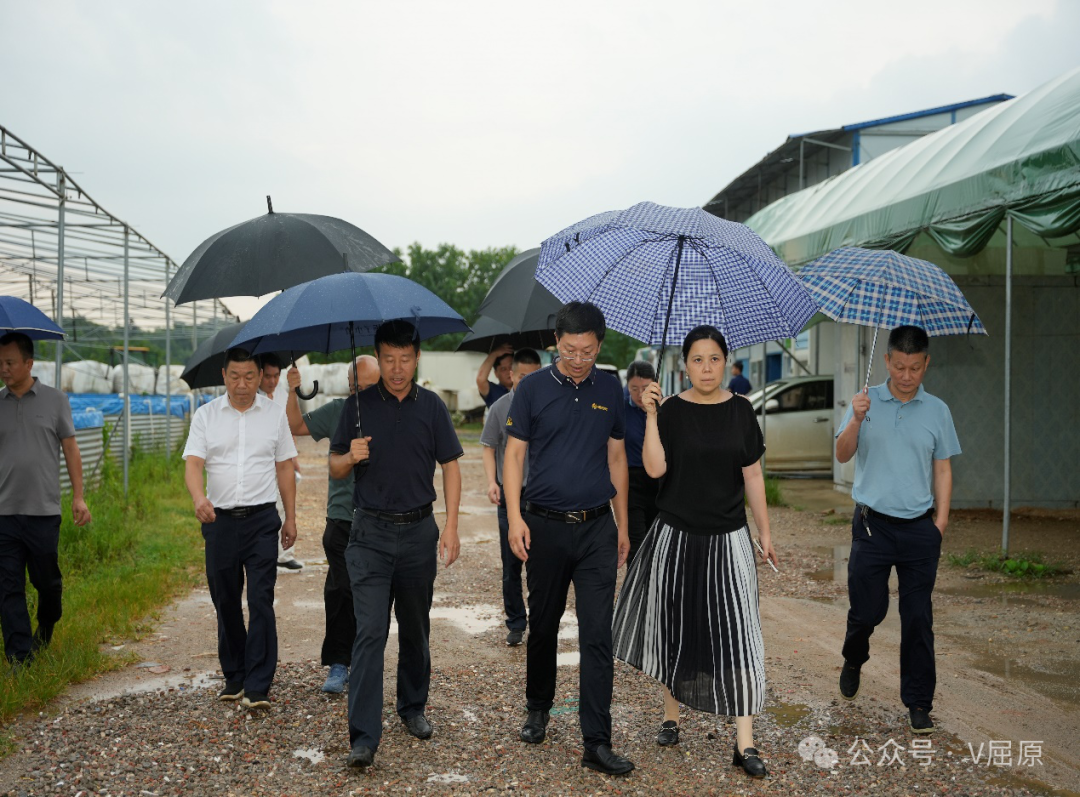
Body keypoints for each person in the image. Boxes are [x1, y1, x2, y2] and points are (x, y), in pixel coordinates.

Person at [611, 325, 778, 779]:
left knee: (740, 631)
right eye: (698, 360)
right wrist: (649, 417)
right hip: (677, 535)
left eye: (715, 359)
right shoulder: (670, 411)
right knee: (676, 624)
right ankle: (671, 714)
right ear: (685, 365)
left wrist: (764, 532)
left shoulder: (742, 411)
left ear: (726, 362)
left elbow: (754, 477)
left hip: (729, 537)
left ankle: (745, 743)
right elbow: (654, 468)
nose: (707, 368)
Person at [504, 301, 635, 777]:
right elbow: (514, 456)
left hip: (598, 527)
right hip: (545, 527)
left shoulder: (609, 388)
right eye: (569, 350)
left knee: (598, 635)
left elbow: (617, 457)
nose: (578, 359)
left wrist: (622, 524)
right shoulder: (533, 389)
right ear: (555, 343)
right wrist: (516, 518)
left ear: (600, 345)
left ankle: (596, 741)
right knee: (543, 623)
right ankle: (537, 707)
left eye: (587, 350)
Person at [328, 320, 463, 769]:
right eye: (388, 360)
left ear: (417, 357)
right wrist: (350, 456)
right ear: (378, 357)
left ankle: (413, 707)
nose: (397, 368)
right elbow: (334, 466)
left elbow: (451, 466)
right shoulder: (358, 406)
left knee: (415, 626)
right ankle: (364, 737)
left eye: (405, 359)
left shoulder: (432, 408)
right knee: (370, 632)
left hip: (419, 531)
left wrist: (452, 525)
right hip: (369, 534)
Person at [834, 325, 960, 736]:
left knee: (918, 617)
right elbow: (842, 453)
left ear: (927, 364)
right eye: (900, 366)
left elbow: (942, 467)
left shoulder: (938, 411)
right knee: (868, 611)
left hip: (920, 530)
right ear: (887, 360)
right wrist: (855, 419)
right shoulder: (864, 401)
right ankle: (854, 657)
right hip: (872, 526)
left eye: (915, 368)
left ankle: (919, 703)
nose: (907, 376)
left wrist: (939, 522)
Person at [182, 347, 298, 710]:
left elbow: (284, 468)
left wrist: (291, 517)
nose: (243, 384)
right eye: (235, 376)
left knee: (260, 598)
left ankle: (259, 683)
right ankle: (235, 675)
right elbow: (194, 464)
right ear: (224, 375)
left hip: (263, 519)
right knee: (226, 599)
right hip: (219, 521)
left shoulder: (274, 416)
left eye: (250, 376)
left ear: (260, 375)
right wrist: (199, 498)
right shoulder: (206, 416)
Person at [285, 355, 380, 694]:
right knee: (342, 589)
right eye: (356, 387)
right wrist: (293, 391)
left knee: (371, 593)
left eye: (369, 387)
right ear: (348, 385)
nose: (361, 393)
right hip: (342, 517)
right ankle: (340, 664)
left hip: (380, 518)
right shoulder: (339, 411)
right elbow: (295, 426)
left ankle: (365, 660)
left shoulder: (392, 412)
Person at [0, 332, 92, 668]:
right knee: (8, 586)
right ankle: (19, 657)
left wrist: (79, 497)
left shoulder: (55, 400)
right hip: (4, 513)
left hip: (43, 512)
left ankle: (47, 625)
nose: (4, 369)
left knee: (47, 583)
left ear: (28, 363)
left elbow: (70, 448)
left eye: (9, 363)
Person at [480, 348, 542, 647]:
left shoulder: (549, 407)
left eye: (534, 377)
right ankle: (516, 622)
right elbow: (489, 446)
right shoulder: (499, 408)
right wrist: (492, 481)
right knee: (511, 565)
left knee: (541, 563)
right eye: (522, 377)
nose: (528, 383)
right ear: (511, 376)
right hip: (511, 496)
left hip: (543, 497)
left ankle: (542, 619)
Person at [259, 355, 303, 571]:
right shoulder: (251, 397)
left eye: (276, 376)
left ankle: (285, 555)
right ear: (259, 375)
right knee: (266, 507)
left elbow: (289, 426)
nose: (272, 381)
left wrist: (294, 458)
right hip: (260, 461)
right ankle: (264, 553)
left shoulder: (282, 394)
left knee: (286, 504)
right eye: (268, 376)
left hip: (281, 460)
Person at [623, 360, 660, 567]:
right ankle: (636, 595)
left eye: (645, 388)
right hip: (631, 483)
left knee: (657, 543)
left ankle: (656, 595)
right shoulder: (620, 408)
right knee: (636, 544)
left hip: (658, 483)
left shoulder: (665, 409)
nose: (639, 394)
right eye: (633, 389)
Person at [476, 343, 514, 408]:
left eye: (511, 367)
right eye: (503, 369)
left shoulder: (524, 389)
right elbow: (480, 379)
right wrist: (494, 354)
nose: (508, 371)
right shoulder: (493, 391)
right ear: (496, 374)